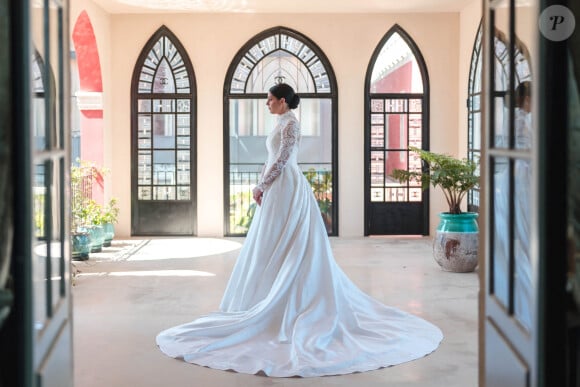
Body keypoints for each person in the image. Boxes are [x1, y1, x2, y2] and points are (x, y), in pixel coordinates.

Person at [156, 83, 443, 377]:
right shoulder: (280, 121)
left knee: (292, 244)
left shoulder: (292, 123)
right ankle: (261, 295)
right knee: (270, 242)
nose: (266, 104)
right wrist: (260, 183)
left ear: (283, 101)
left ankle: (291, 301)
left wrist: (263, 184)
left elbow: (283, 159)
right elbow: (270, 158)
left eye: (269, 100)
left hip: (287, 187)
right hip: (275, 187)